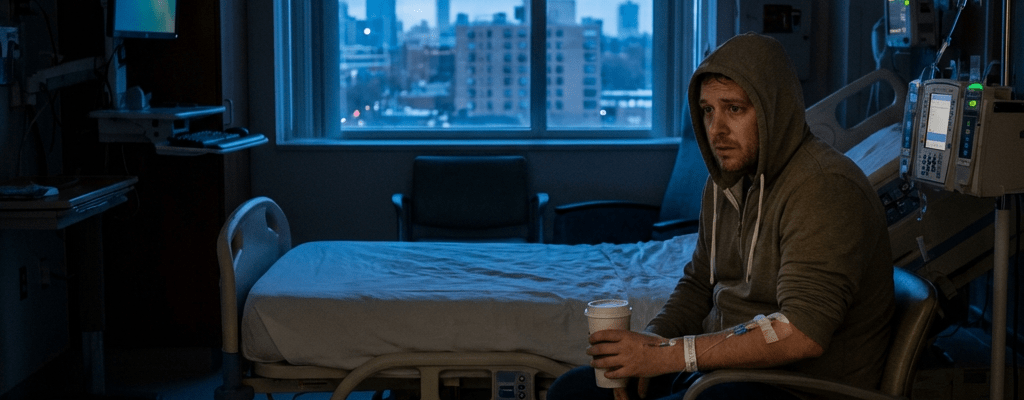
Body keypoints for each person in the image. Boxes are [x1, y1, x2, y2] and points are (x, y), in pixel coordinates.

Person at [546, 32, 896, 400]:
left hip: (796, 387)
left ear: (773, 110)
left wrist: (669, 356)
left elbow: (802, 333)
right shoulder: (727, 182)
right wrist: (654, 339)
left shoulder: (825, 188)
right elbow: (699, 284)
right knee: (573, 391)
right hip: (724, 373)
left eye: (734, 109)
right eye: (708, 110)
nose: (716, 130)